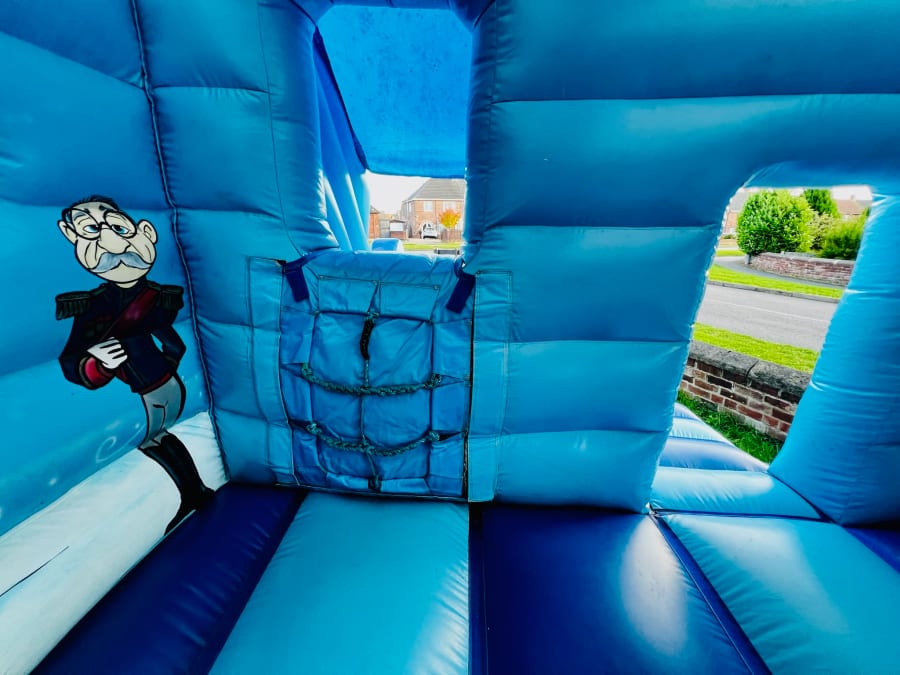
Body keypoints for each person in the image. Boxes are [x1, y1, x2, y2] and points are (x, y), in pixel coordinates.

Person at [56, 195, 211, 531]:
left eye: (117, 228)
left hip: (157, 386)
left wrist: (162, 369)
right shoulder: (91, 306)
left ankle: (194, 492)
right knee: (153, 438)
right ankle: (194, 491)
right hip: (144, 387)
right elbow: (72, 359)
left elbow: (174, 343)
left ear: (145, 233)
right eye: (91, 230)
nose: (109, 241)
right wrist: (98, 364)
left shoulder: (157, 299)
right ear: (72, 237)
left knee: (154, 436)